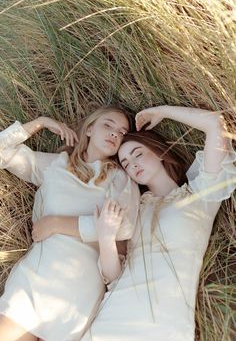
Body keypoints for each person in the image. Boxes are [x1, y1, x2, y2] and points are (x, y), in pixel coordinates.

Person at [81, 105, 236, 341]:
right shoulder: (134, 208)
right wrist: (106, 237)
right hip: (112, 318)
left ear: (159, 151)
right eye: (125, 163)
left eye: (138, 154)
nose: (132, 164)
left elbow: (216, 124)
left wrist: (162, 112)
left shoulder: (200, 194)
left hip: (165, 325)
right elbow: (113, 277)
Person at [0, 106, 140, 341]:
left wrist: (58, 223)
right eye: (108, 125)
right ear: (90, 128)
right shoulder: (55, 165)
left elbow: (124, 226)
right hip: (35, 276)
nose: (115, 134)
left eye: (122, 133)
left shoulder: (120, 177)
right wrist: (41, 121)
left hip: (78, 288)